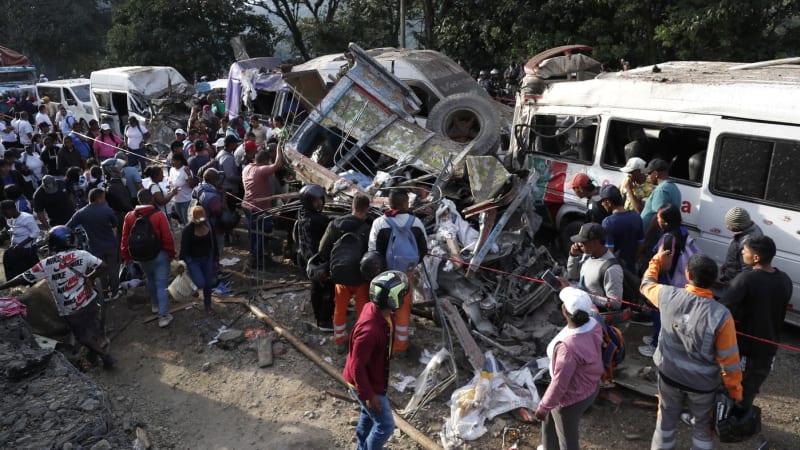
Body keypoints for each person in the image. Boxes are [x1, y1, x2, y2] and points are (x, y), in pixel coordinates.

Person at [640, 250, 742, 450]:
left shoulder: (667, 295)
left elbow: (645, 285)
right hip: (702, 386)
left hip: (669, 376)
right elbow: (729, 361)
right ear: (714, 280)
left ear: (688, 274)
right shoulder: (721, 316)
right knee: (703, 428)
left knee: (665, 422)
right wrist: (735, 392)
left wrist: (657, 260)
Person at [0, 225, 114, 368]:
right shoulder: (82, 254)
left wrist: (2, 286)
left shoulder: (46, 264)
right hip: (89, 299)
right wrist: (90, 277)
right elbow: (103, 266)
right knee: (91, 326)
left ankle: (105, 356)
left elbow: (23, 278)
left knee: (82, 337)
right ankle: (94, 355)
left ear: (53, 243)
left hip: (70, 308)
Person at [721, 235, 792, 409]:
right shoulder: (784, 279)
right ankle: (742, 420)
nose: (741, 252)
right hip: (768, 347)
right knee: (751, 388)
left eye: (745, 250)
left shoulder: (745, 280)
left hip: (745, 348)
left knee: (731, 386)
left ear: (756, 258)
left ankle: (724, 421)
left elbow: (723, 311)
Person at [342, 270, 409, 450]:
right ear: (394, 300)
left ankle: (361, 446)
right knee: (385, 426)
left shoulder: (375, 310)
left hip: (371, 378)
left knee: (368, 415)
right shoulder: (370, 331)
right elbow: (357, 367)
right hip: (365, 384)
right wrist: (369, 396)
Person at [534, 287, 603, 450]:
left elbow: (560, 384)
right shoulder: (595, 321)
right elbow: (591, 306)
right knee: (550, 422)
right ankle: (549, 447)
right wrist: (566, 286)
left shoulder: (569, 348)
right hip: (590, 385)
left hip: (571, 398)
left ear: (564, 311)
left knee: (567, 438)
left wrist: (543, 407)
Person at [368, 188, 427, 356]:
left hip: (384, 276)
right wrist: (410, 267)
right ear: (405, 203)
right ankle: (400, 347)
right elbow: (423, 249)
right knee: (402, 310)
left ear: (389, 202)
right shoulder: (416, 223)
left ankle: (382, 345)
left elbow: (373, 251)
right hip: (405, 276)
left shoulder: (380, 223)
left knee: (383, 309)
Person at [638, 204, 701, 357]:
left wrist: (654, 267)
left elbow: (666, 266)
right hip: (679, 279)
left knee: (660, 313)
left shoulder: (668, 238)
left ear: (665, 221)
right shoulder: (682, 231)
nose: (657, 220)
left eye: (658, 218)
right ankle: (656, 337)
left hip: (666, 280)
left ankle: (656, 345)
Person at [318, 193, 372, 353]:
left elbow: (322, 250)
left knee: (340, 308)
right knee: (362, 311)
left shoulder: (335, 224)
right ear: (367, 209)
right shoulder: (367, 229)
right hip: (360, 278)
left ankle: (340, 340)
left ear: (352, 207)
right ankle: (361, 343)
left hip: (340, 276)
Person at [120, 189, 175, 327]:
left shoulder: (129, 216)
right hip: (159, 254)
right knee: (162, 284)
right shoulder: (159, 215)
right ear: (151, 199)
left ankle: (155, 305)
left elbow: (125, 238)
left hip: (141, 256)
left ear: (138, 200)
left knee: (150, 279)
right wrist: (171, 254)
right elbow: (167, 237)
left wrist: (127, 256)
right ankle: (163, 316)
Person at [67, 189, 121, 301]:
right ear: (99, 198)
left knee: (100, 271)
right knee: (113, 269)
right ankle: (115, 293)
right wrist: (114, 237)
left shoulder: (81, 213)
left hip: (95, 247)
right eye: (104, 197)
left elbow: (67, 227)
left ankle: (104, 294)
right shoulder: (107, 210)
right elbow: (115, 224)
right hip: (111, 245)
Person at [295, 184, 334, 330]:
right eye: (315, 201)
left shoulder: (302, 213)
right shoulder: (319, 221)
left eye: (320, 200)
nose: (319, 203)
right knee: (329, 290)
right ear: (307, 202)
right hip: (319, 262)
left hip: (307, 259)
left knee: (316, 288)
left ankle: (318, 316)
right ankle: (324, 320)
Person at [564, 223, 623, 310]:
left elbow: (615, 303)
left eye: (583, 242)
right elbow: (573, 275)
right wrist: (574, 256)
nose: (579, 244)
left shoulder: (611, 269)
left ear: (595, 243)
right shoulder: (587, 255)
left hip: (595, 316)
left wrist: (583, 295)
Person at [242, 148, 284, 269]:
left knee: (254, 233)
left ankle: (256, 256)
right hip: (259, 208)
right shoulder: (261, 170)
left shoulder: (247, 168)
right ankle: (256, 259)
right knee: (264, 233)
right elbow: (278, 165)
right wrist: (279, 147)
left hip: (247, 206)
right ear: (265, 161)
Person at [179, 206, 218, 315]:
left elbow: (214, 242)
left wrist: (216, 257)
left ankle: (208, 305)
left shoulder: (208, 225)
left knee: (208, 283)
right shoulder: (187, 230)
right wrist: (181, 263)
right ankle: (193, 287)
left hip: (207, 257)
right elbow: (184, 248)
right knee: (200, 282)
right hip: (193, 259)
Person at [599, 184, 643, 271]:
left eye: (602, 201)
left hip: (616, 270)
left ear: (608, 202)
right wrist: (633, 261)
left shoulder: (608, 222)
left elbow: (609, 252)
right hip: (632, 268)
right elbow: (641, 244)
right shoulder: (636, 216)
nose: (602, 204)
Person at [639, 158, 680, 246]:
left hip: (652, 240)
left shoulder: (661, 189)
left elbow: (657, 218)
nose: (648, 177)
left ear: (656, 174)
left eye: (649, 173)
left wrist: (645, 240)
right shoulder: (674, 187)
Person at [719, 206, 763, 284]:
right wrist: (726, 265)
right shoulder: (751, 228)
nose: (727, 227)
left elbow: (747, 271)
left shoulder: (747, 243)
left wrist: (735, 285)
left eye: (729, 225)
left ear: (738, 226)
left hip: (735, 282)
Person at [1, 200, 40, 279]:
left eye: (5, 212)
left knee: (29, 275)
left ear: (11, 209)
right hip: (16, 249)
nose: (4, 215)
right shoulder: (11, 219)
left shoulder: (26, 218)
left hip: (28, 250)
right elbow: (15, 230)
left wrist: (21, 244)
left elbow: (36, 232)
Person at [101, 158, 133, 240]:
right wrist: (134, 211)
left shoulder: (115, 182)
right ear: (112, 170)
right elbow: (124, 203)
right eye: (119, 168)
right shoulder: (113, 186)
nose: (122, 170)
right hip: (120, 217)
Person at [168, 153, 194, 224]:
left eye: (173, 161)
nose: (171, 162)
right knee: (182, 219)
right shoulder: (171, 170)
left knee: (187, 221)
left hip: (186, 200)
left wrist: (189, 174)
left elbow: (191, 186)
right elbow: (170, 181)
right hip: (176, 200)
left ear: (179, 161)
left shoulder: (186, 170)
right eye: (171, 160)